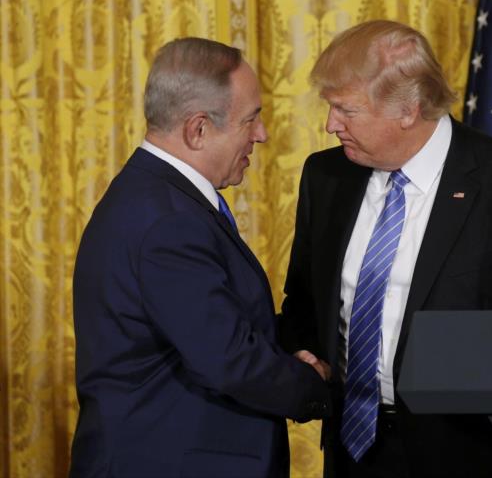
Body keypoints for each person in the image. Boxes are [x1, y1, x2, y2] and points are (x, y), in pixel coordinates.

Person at [279, 20, 492, 477]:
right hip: (352, 448)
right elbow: (303, 296)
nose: (330, 125)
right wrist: (300, 351)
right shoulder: (326, 176)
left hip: (473, 457)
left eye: (346, 110)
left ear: (408, 109)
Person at [70, 37, 330, 478]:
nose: (262, 134)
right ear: (198, 129)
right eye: (251, 119)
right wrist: (317, 385)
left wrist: (292, 346)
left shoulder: (156, 197)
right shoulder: (166, 220)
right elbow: (228, 359)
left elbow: (213, 326)